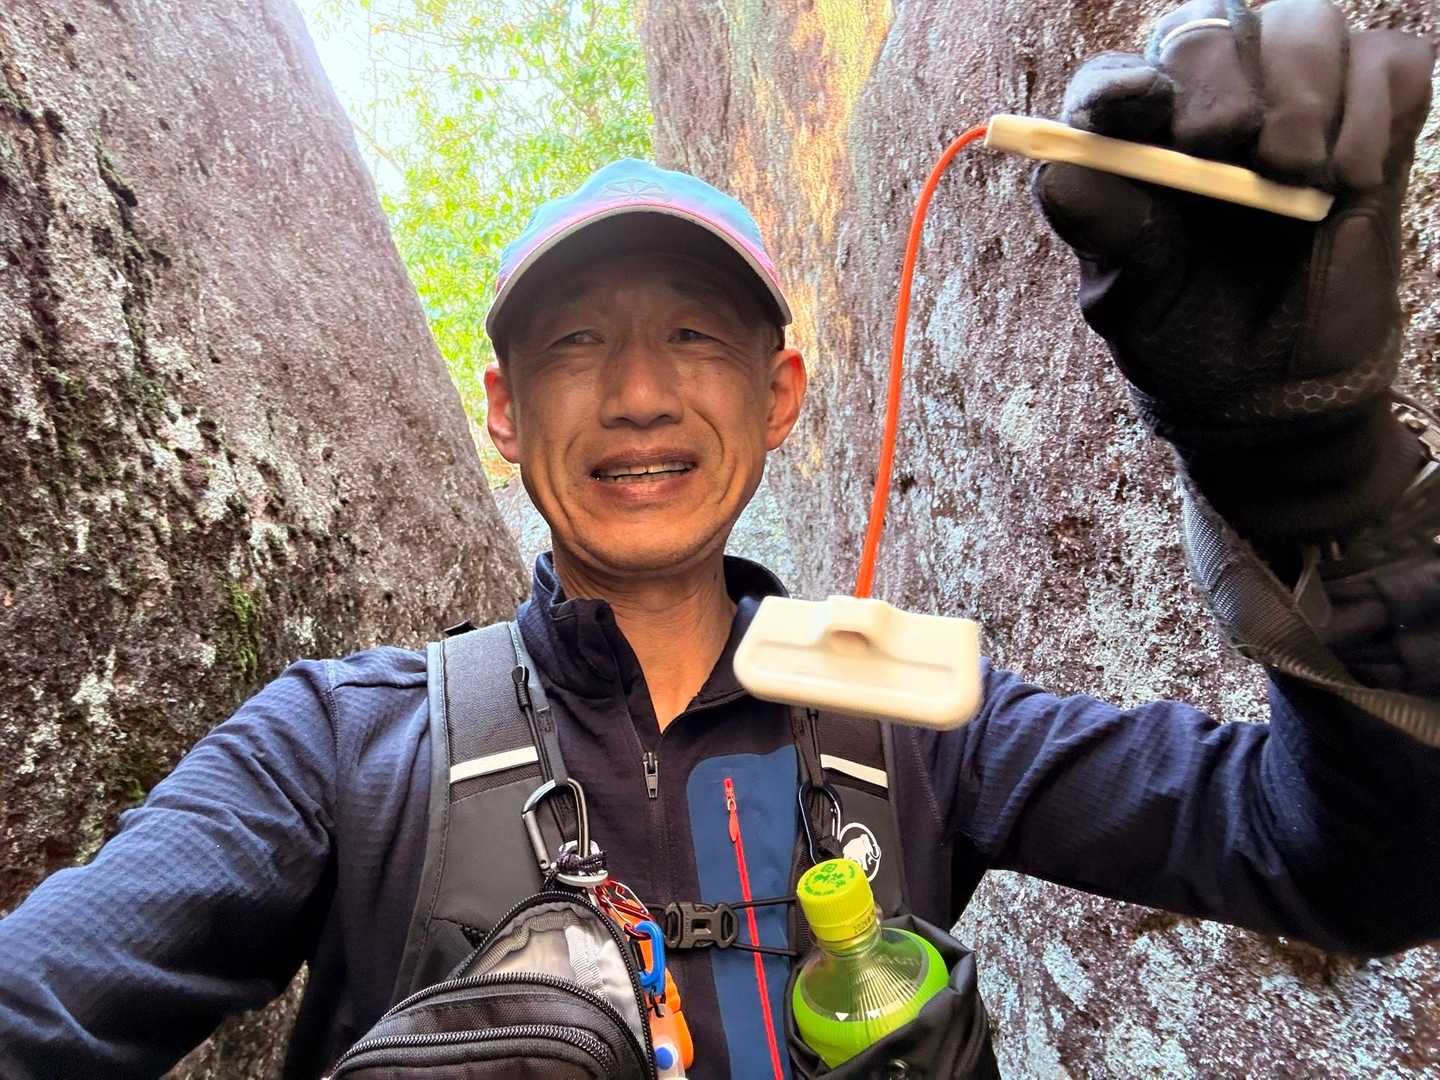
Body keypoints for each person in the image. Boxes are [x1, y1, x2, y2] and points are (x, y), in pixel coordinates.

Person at [3, 1, 1438, 1077]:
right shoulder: (333, 750)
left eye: (695, 334)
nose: (638, 393)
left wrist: (1313, 484)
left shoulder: (920, 723)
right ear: (504, 412)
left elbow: (1349, 866)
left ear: (780, 395)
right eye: (576, 344)